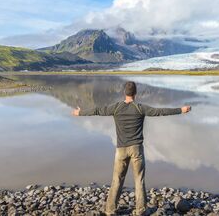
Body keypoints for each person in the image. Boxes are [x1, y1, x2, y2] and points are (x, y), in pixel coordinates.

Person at [72, 81, 191, 216]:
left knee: (117, 180)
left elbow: (97, 110)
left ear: (125, 92)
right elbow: (159, 112)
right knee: (139, 180)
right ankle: (140, 210)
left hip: (121, 150)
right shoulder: (140, 108)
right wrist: (181, 110)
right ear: (135, 93)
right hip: (136, 150)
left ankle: (110, 210)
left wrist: (79, 113)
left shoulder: (116, 107)